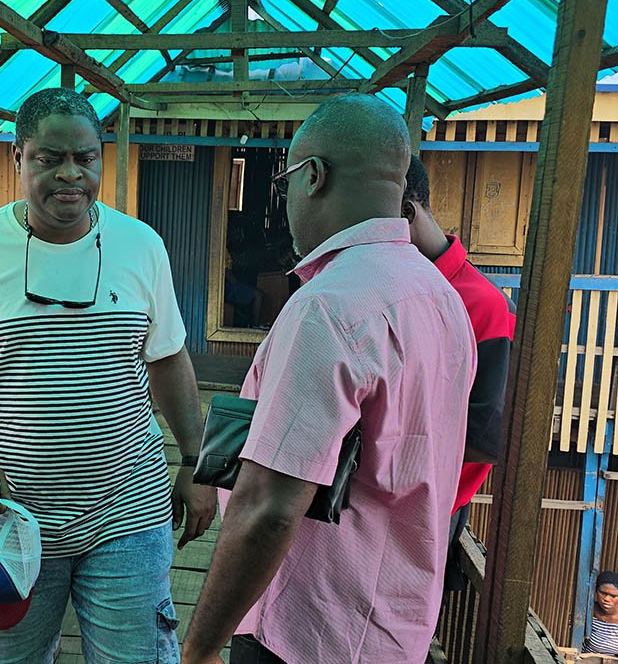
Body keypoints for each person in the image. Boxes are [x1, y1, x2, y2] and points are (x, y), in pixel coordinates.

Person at [0, 87, 217, 663]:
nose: (70, 174)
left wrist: (198, 464)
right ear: (18, 158)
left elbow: (168, 357)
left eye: (85, 157)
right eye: (50, 159)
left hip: (128, 509)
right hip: (7, 518)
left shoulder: (141, 246)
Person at [181, 95, 477, 664]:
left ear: (313, 176)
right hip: (393, 626)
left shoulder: (329, 307)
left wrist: (199, 648)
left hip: (305, 629)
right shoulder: (441, 296)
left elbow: (268, 508)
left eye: (287, 181)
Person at [402, 155, 516, 588]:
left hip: (429, 510)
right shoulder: (399, 285)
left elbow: (484, 439)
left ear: (406, 213)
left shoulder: (486, 307)